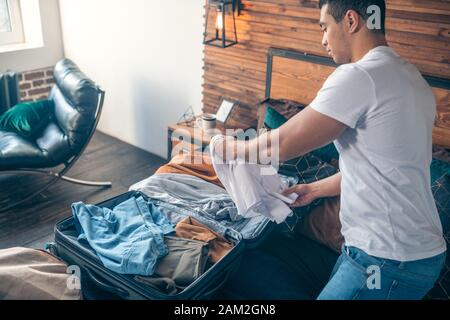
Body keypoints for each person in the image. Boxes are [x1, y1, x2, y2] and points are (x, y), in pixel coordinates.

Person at [217, 0, 446, 300]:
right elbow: (384, 166)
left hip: (384, 258)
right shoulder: (412, 79)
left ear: (350, 21)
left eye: (325, 27)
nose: (323, 39)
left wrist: (227, 146)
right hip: (422, 253)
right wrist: (315, 188)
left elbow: (280, 145)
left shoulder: (360, 77)